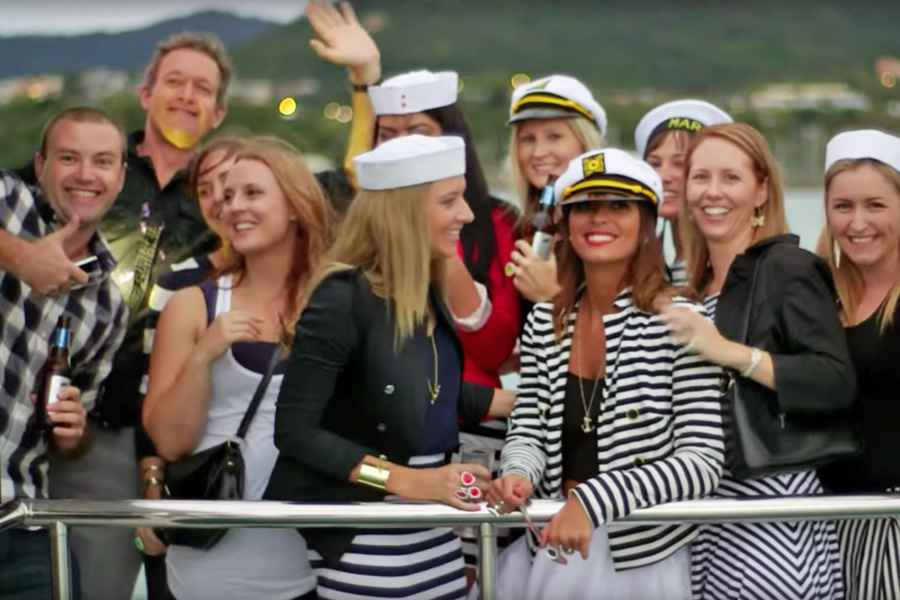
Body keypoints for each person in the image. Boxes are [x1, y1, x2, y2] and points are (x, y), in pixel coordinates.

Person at [6, 32, 233, 600]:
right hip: (92, 433)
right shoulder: (79, 171)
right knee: (85, 575)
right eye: (174, 81)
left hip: (169, 422)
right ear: (146, 94)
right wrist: (19, 256)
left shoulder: (218, 197)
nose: (186, 96)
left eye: (202, 88)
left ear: (218, 112)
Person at [264, 134, 515, 600]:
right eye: (449, 201)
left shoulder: (424, 290)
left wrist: (531, 403)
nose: (467, 214)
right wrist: (409, 480)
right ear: (404, 212)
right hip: (368, 532)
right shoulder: (341, 299)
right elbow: (295, 432)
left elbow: (430, 391)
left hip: (434, 527)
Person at [483, 148, 725, 600]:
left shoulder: (681, 320)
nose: (599, 218)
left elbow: (702, 462)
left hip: (640, 560)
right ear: (565, 224)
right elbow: (528, 428)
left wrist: (592, 502)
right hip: (550, 545)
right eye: (584, 207)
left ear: (647, 224)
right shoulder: (544, 320)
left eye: (619, 205)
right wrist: (518, 474)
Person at [660, 122, 854, 599]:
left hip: (773, 509)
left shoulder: (787, 267)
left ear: (762, 190)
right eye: (701, 177)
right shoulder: (694, 285)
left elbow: (834, 380)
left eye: (731, 177)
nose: (713, 192)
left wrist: (729, 353)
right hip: (706, 514)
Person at [142, 136, 333, 600]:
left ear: (295, 205)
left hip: (320, 564)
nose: (233, 207)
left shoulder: (337, 303)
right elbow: (169, 441)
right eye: (227, 196)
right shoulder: (193, 304)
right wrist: (204, 354)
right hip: (215, 565)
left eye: (252, 193)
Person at [0, 106, 129, 599]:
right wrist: (20, 256)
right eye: (69, 158)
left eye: (102, 161)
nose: (85, 175)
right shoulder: (8, 201)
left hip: (23, 518)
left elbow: (70, 443)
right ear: (41, 166)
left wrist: (73, 431)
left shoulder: (108, 304)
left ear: (121, 176)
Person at [133, 134, 246, 592]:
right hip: (201, 486)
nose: (219, 198)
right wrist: (153, 492)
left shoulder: (310, 282)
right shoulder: (178, 285)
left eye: (231, 182)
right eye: (205, 189)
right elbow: (150, 398)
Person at [817, 130, 900, 600]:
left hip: (891, 524)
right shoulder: (817, 298)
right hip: (822, 527)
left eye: (876, 205)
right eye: (843, 206)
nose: (858, 222)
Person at [505, 74, 605, 310]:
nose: (539, 152)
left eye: (554, 137)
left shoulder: (608, 228)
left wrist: (548, 297)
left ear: (585, 143)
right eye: (528, 139)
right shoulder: (519, 226)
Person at [634, 99, 732, 287]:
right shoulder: (659, 272)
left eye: (680, 164)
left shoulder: (731, 269)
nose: (663, 176)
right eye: (654, 164)